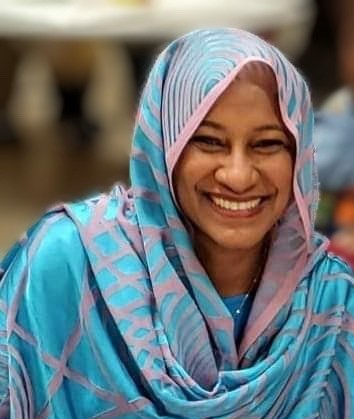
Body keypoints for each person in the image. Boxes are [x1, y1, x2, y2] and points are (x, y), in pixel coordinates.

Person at [0, 28, 353, 418]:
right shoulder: (68, 265)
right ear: (163, 145)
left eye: (267, 144)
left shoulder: (331, 306)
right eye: (209, 141)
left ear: (299, 158)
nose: (238, 176)